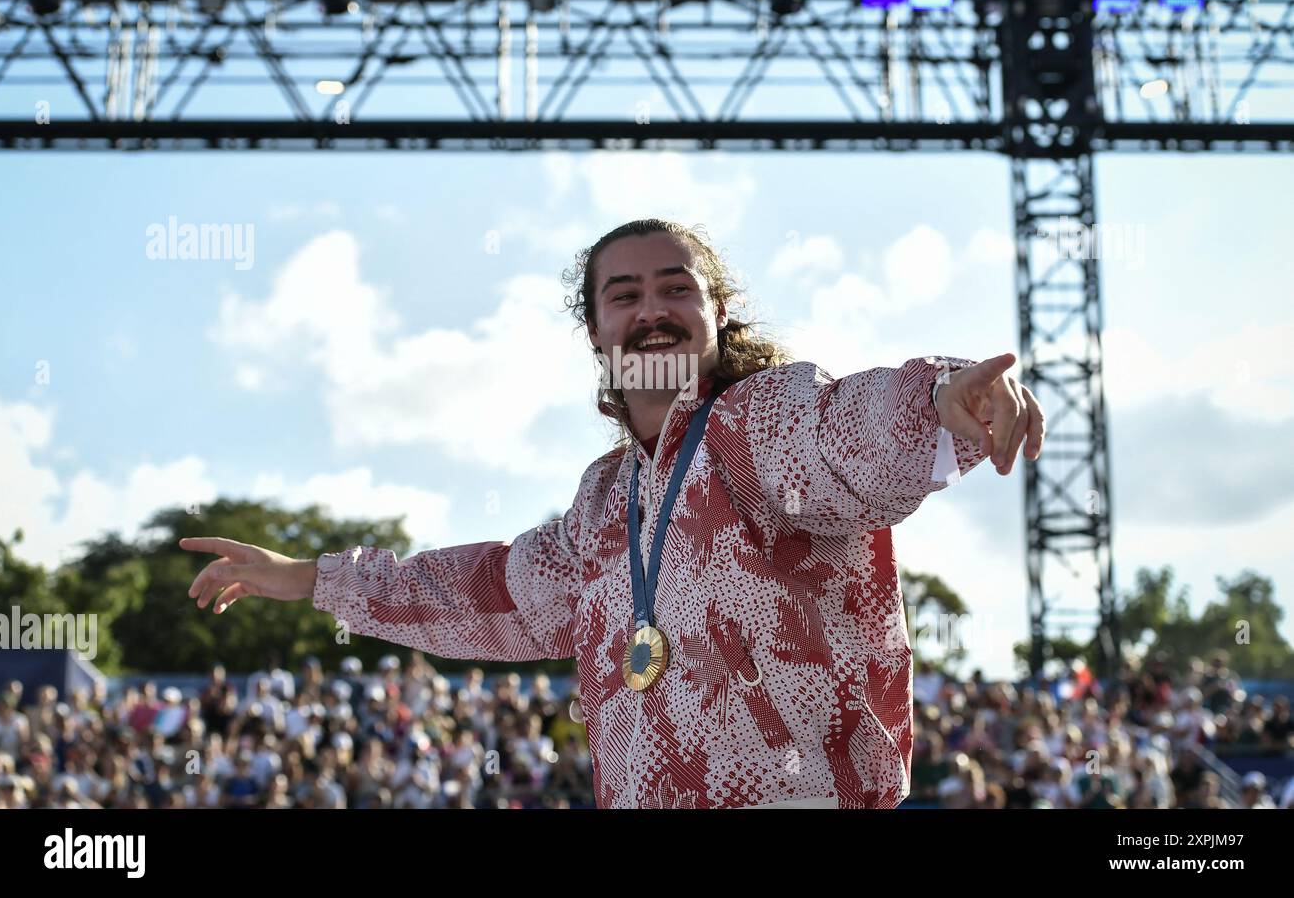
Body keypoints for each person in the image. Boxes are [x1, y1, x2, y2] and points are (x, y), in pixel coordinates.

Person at [182, 218, 1045, 809]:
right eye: (624, 296)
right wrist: (312, 579)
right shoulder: (602, 504)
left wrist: (938, 399)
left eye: (677, 290)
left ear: (716, 315)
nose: (651, 311)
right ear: (595, 329)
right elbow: (491, 592)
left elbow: (839, 433)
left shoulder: (759, 424)